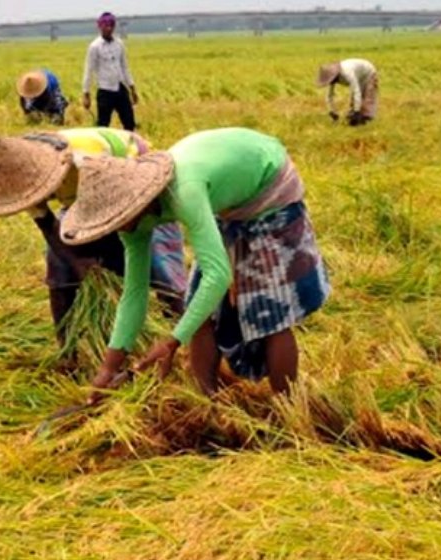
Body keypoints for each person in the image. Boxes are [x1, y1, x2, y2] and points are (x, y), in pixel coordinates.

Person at [60, 128, 331, 398]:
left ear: (135, 202)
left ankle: (289, 406)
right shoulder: (131, 224)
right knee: (199, 310)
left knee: (269, 312)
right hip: (225, 195)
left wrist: (172, 341)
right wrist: (109, 366)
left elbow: (219, 275)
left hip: (267, 185)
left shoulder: (184, 193)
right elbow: (134, 292)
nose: (113, 228)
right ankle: (206, 399)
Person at [0, 128, 186, 346]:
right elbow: (48, 226)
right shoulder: (18, 176)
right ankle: (67, 348)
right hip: (80, 198)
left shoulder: (85, 158)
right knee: (59, 268)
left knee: (159, 268)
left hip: (136, 182)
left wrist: (102, 263)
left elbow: (115, 211)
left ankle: (184, 339)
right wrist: (80, 265)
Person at [81, 13, 138, 132]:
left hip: (120, 88)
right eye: (106, 25)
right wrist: (86, 94)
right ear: (100, 27)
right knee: (103, 126)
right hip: (105, 91)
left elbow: (125, 67)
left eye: (111, 25)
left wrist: (132, 88)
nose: (109, 28)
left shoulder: (119, 44)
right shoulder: (94, 47)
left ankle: (129, 147)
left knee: (129, 123)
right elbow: (88, 70)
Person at [317, 59, 379, 126]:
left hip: (368, 72)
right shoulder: (332, 78)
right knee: (355, 101)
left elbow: (356, 91)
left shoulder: (347, 72)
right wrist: (332, 111)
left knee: (368, 96)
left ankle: (367, 118)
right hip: (358, 74)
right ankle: (354, 114)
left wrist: (356, 111)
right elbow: (329, 95)